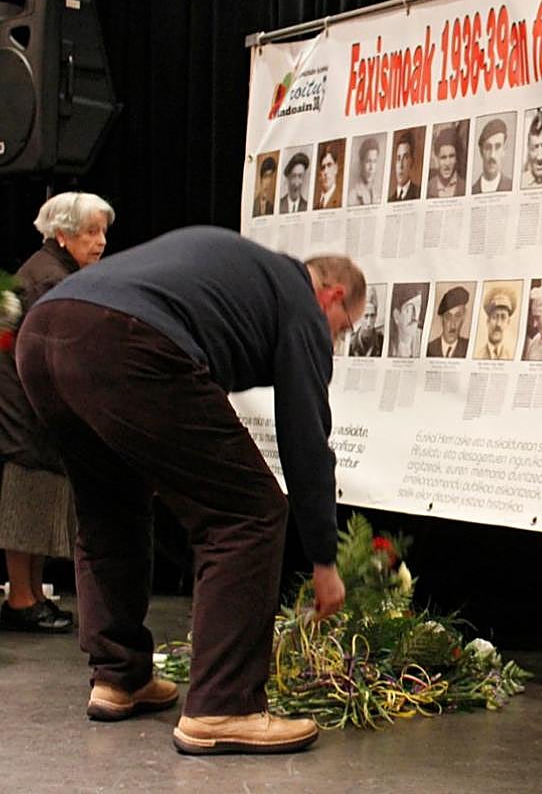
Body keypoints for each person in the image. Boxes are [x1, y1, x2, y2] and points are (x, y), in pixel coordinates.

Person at [15, 226, 363, 754]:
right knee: (249, 510)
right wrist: (323, 558)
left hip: (43, 333)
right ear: (332, 295)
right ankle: (225, 705)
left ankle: (119, 676)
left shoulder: (241, 277)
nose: (335, 338)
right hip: (122, 336)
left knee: (112, 506)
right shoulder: (299, 301)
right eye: (345, 327)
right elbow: (306, 438)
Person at [0, 192, 113, 634]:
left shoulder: (49, 269)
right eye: (91, 232)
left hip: (26, 403)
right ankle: (22, 600)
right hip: (25, 408)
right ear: (62, 235)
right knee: (28, 500)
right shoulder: (50, 279)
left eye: (103, 231)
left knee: (37, 502)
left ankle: (23, 597)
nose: (101, 242)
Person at [472, 118, 513, 194]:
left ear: (504, 150)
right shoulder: (473, 190)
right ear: (481, 151)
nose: (492, 155)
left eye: (497, 147)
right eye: (488, 148)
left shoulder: (511, 186)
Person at [427, 286, 469, 357]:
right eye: (448, 317)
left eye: (457, 316)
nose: (452, 325)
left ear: (463, 318)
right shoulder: (428, 349)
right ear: (441, 319)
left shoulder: (468, 348)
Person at [477, 290, 515, 360]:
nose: (498, 324)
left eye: (503, 318)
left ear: (508, 322)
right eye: (494, 317)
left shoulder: (512, 356)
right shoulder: (477, 355)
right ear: (488, 321)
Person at [388, 285, 424, 358]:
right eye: (409, 309)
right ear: (396, 316)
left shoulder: (422, 339)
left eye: (418, 307)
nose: (415, 316)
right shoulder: (386, 343)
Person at [428, 128, 465, 198]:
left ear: (456, 158)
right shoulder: (428, 187)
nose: (447, 163)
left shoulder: (465, 187)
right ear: (437, 159)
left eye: (451, 156)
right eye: (443, 157)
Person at [347, 287, 384, 357]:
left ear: (376, 315)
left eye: (372, 316)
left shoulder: (382, 341)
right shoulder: (350, 343)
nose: (369, 323)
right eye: (366, 316)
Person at [347, 138, 381, 205]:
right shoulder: (352, 196)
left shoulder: (378, 195)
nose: (371, 167)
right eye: (368, 161)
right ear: (361, 163)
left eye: (374, 161)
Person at [389, 132, 421, 201]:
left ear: (412, 161)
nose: (401, 165)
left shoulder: (419, 194)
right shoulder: (390, 200)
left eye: (405, 158)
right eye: (398, 158)